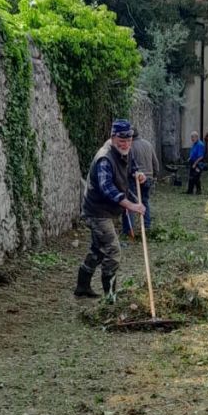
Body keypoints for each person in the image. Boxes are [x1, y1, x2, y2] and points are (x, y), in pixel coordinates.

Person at [75, 119, 147, 298]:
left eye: (129, 140)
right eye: (122, 141)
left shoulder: (125, 150)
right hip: (97, 211)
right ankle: (110, 296)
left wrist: (137, 173)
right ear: (113, 137)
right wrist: (131, 205)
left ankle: (82, 287)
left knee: (98, 250)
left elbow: (131, 166)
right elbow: (107, 189)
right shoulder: (105, 158)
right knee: (113, 250)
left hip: (106, 210)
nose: (126, 144)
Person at [122, 127, 161, 238]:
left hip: (135, 178)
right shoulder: (148, 144)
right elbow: (155, 162)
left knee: (130, 203)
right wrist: (155, 175)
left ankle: (129, 230)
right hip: (147, 177)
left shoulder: (130, 147)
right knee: (145, 201)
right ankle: (147, 226)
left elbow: (127, 166)